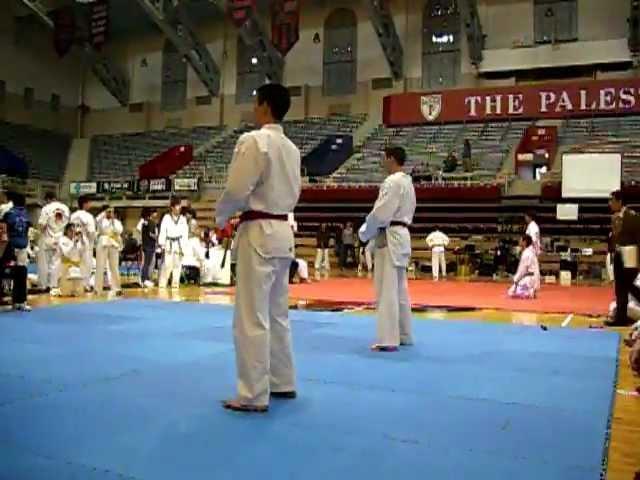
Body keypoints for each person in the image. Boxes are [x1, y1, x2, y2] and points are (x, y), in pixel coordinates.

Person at [215, 83, 301, 413]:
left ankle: (252, 393)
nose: (254, 108)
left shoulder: (254, 141)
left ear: (264, 105)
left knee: (251, 315)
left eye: (255, 103)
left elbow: (237, 188)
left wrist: (221, 216)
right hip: (283, 231)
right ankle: (283, 381)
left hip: (259, 232)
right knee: (278, 312)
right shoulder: (292, 149)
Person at [359, 146, 416, 352]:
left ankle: (388, 339)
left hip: (389, 235)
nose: (382, 162)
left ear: (391, 159)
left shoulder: (392, 182)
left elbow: (381, 213)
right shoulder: (408, 183)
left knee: (386, 290)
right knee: (400, 289)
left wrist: (364, 232)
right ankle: (404, 334)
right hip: (401, 235)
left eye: (384, 158)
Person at [607, 190, 640, 326]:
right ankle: (620, 318)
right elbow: (614, 239)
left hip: (630, 253)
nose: (610, 204)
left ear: (619, 201)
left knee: (628, 285)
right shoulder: (614, 218)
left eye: (612, 201)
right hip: (618, 254)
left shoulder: (632, 217)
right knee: (620, 288)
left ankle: (621, 317)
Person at [2, 192, 31, 311]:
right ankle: (21, 301)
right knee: (22, 273)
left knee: (8, 273)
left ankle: (12, 300)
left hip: (11, 246)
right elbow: (28, 228)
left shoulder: (8, 213)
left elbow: (3, 228)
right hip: (23, 246)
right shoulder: (26, 214)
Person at [37, 192, 70, 293]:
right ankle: (53, 285)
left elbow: (42, 225)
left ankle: (43, 286)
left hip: (47, 238)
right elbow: (67, 225)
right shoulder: (65, 208)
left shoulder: (46, 208)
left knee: (44, 264)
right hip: (59, 238)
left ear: (48, 199)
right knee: (55, 263)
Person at [158, 197, 189, 289]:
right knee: (167, 264)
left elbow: (185, 233)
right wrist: (162, 244)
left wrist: (184, 246)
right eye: (177, 205)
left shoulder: (183, 219)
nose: (179, 207)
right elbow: (163, 231)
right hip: (169, 243)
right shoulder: (166, 218)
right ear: (172, 207)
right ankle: (162, 284)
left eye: (180, 205)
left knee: (177, 265)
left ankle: (175, 284)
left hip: (179, 244)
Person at [69, 195, 96, 292]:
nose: (90, 204)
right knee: (86, 265)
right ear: (85, 204)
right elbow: (91, 232)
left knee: (75, 265)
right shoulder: (88, 216)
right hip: (85, 243)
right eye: (89, 202)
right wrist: (92, 241)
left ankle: (75, 286)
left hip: (74, 242)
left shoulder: (73, 216)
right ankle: (85, 285)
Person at [94, 206, 123, 295]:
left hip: (113, 243)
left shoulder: (116, 222)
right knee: (100, 266)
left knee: (114, 267)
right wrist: (104, 213)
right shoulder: (101, 220)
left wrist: (113, 221)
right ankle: (97, 289)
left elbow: (119, 231)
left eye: (112, 211)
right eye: (109, 211)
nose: (111, 213)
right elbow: (96, 221)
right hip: (102, 242)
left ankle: (117, 288)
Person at [56, 223, 87, 297]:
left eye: (74, 231)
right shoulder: (62, 240)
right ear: (66, 231)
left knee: (78, 293)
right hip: (65, 268)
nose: (72, 233)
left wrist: (82, 239)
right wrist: (74, 243)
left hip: (76, 269)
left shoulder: (76, 240)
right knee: (66, 293)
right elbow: (66, 253)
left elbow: (83, 251)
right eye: (70, 230)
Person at [507, 234, 540, 299]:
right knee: (512, 290)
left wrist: (516, 279)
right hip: (533, 277)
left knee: (511, 293)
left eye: (521, 240)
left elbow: (522, 270)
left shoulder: (527, 253)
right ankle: (529, 289)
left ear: (524, 242)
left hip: (529, 278)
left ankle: (529, 292)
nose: (519, 242)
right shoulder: (531, 251)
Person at [140, 209, 159, 288]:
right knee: (147, 264)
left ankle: (145, 279)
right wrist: (157, 237)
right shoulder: (151, 222)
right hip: (149, 246)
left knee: (146, 264)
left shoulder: (144, 222)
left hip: (145, 245)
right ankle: (145, 279)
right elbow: (151, 234)